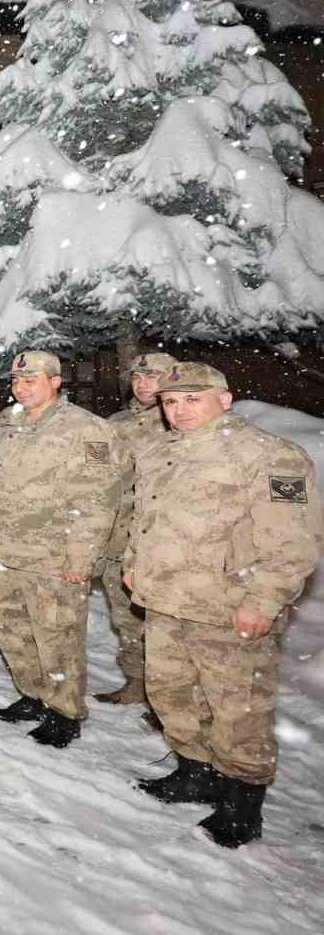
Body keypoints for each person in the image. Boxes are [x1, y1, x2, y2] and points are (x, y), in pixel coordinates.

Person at [125, 362, 321, 848]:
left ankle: (241, 802)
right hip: (167, 601)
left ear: (225, 400)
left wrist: (263, 601)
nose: (180, 410)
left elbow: (292, 544)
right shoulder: (159, 453)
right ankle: (195, 772)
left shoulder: (270, 456)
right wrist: (132, 562)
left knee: (238, 709)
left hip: (229, 607)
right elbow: (143, 519)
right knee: (172, 694)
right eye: (171, 401)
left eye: (193, 399)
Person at [0, 350, 123, 749]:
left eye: (31, 380)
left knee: (56, 636)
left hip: (54, 556)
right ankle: (33, 694)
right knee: (10, 629)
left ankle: (64, 711)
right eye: (17, 381)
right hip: (7, 550)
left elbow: (97, 499)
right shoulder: (8, 423)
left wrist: (81, 556)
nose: (21, 387)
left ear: (56, 382)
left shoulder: (86, 429)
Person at [93, 351, 177, 706]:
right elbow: (98, 479)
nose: (143, 384)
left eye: (153, 377)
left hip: (164, 543)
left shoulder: (181, 422)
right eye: (138, 377)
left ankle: (168, 699)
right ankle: (136, 683)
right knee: (126, 617)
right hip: (119, 538)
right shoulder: (115, 422)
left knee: (166, 626)